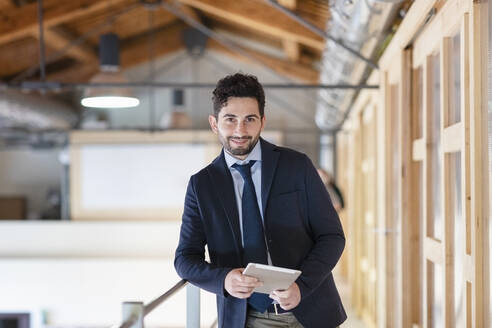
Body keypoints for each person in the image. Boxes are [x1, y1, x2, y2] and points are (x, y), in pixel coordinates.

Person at [174, 73, 346, 328]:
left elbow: (332, 236)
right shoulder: (202, 185)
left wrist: (302, 285)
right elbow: (185, 258)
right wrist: (223, 279)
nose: (240, 130)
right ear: (214, 123)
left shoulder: (297, 166)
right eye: (230, 119)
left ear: (262, 122)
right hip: (246, 318)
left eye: (249, 119)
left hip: (311, 311)